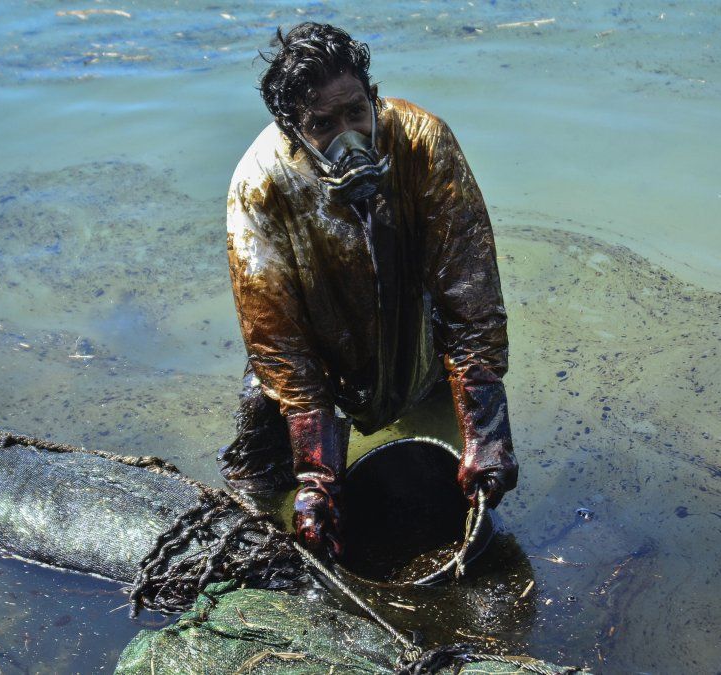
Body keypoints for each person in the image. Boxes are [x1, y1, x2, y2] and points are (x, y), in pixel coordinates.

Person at [220, 22, 517, 556]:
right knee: (258, 488)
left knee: (449, 453)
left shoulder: (422, 141)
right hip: (312, 355)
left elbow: (469, 290)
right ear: (291, 130)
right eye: (322, 124)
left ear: (373, 98)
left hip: (414, 333)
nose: (348, 135)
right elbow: (276, 337)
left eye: (356, 112)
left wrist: (487, 432)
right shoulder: (259, 184)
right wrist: (316, 478)